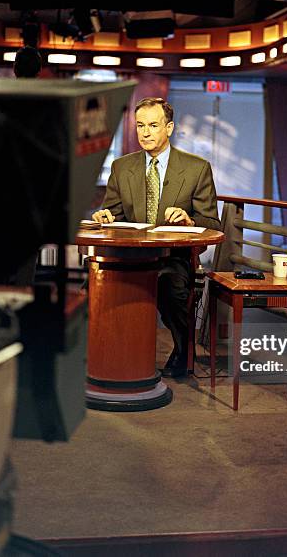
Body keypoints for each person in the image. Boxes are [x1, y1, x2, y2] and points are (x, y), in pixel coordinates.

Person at [92, 97, 220, 377]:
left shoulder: (197, 168)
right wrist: (104, 217)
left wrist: (190, 219)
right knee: (95, 285)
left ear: (170, 127)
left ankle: (183, 349)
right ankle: (111, 356)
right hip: (128, 257)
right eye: (140, 126)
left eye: (152, 125)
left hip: (173, 258)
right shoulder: (121, 167)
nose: (145, 133)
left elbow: (212, 223)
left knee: (169, 286)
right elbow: (113, 215)